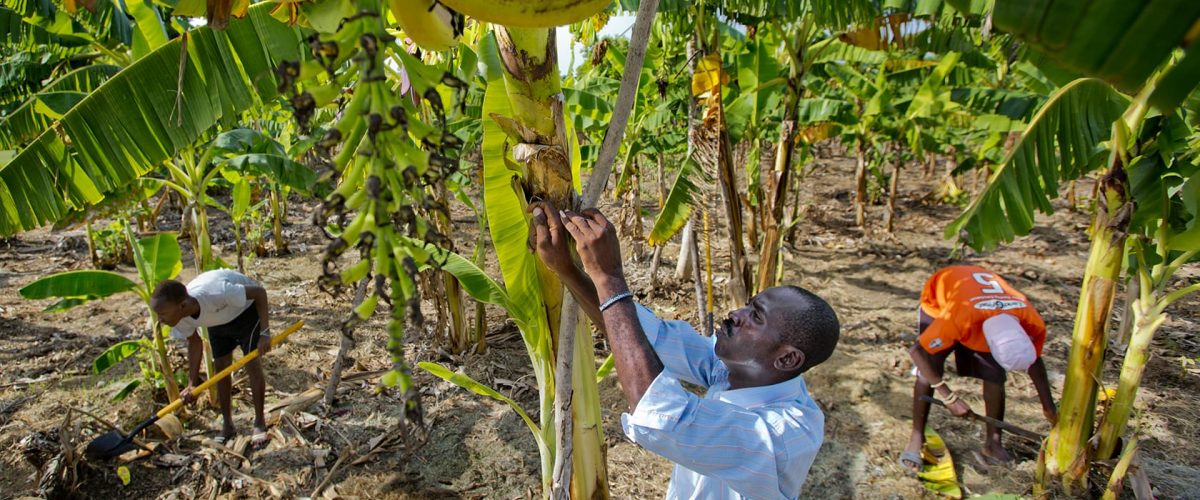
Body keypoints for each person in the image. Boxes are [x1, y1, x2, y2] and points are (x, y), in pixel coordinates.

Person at [527, 201, 840, 499]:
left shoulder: (785, 436)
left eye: (755, 317)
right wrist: (567, 270)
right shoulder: (742, 370)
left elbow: (663, 416)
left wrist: (609, 278)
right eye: (749, 305)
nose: (736, 313)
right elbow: (650, 337)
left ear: (787, 358)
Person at [901, 265, 1058, 471]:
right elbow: (917, 352)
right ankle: (917, 437)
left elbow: (1035, 360)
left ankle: (993, 443)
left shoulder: (1031, 322)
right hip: (943, 301)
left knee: (994, 374)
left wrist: (1049, 408)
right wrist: (949, 397)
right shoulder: (958, 320)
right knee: (929, 370)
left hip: (985, 307)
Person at [151, 269, 273, 448]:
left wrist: (264, 332)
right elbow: (195, 342)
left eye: (162, 314)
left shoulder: (217, 291)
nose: (159, 320)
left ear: (182, 306)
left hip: (245, 311)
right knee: (221, 367)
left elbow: (260, 293)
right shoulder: (178, 318)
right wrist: (192, 383)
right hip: (216, 322)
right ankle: (228, 425)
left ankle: (259, 422)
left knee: (251, 363)